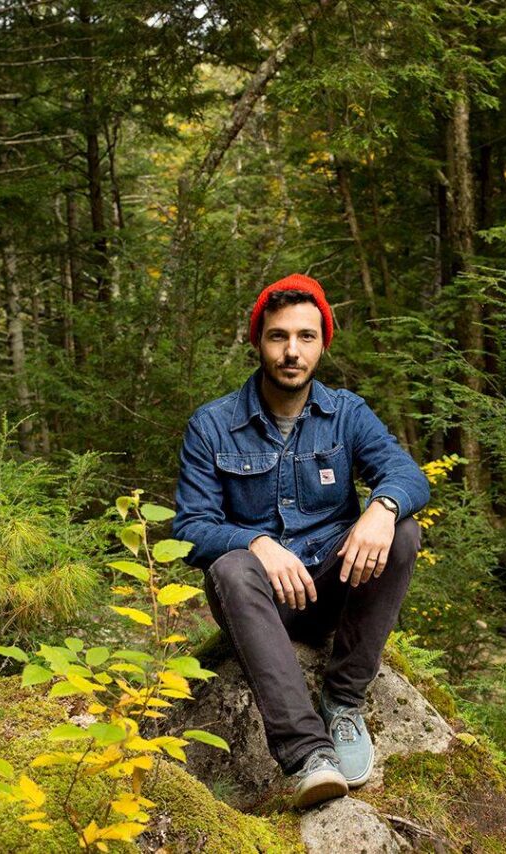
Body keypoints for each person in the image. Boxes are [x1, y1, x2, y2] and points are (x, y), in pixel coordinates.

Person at [172, 274, 430, 808]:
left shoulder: (346, 414)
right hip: (262, 602)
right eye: (278, 336)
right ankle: (307, 754)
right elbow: (190, 528)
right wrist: (256, 542)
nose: (292, 351)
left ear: (322, 343)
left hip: (334, 590)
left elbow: (407, 474)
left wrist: (382, 508)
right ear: (258, 341)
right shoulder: (212, 426)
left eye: (306, 337)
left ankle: (342, 701)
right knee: (228, 566)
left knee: (403, 529)